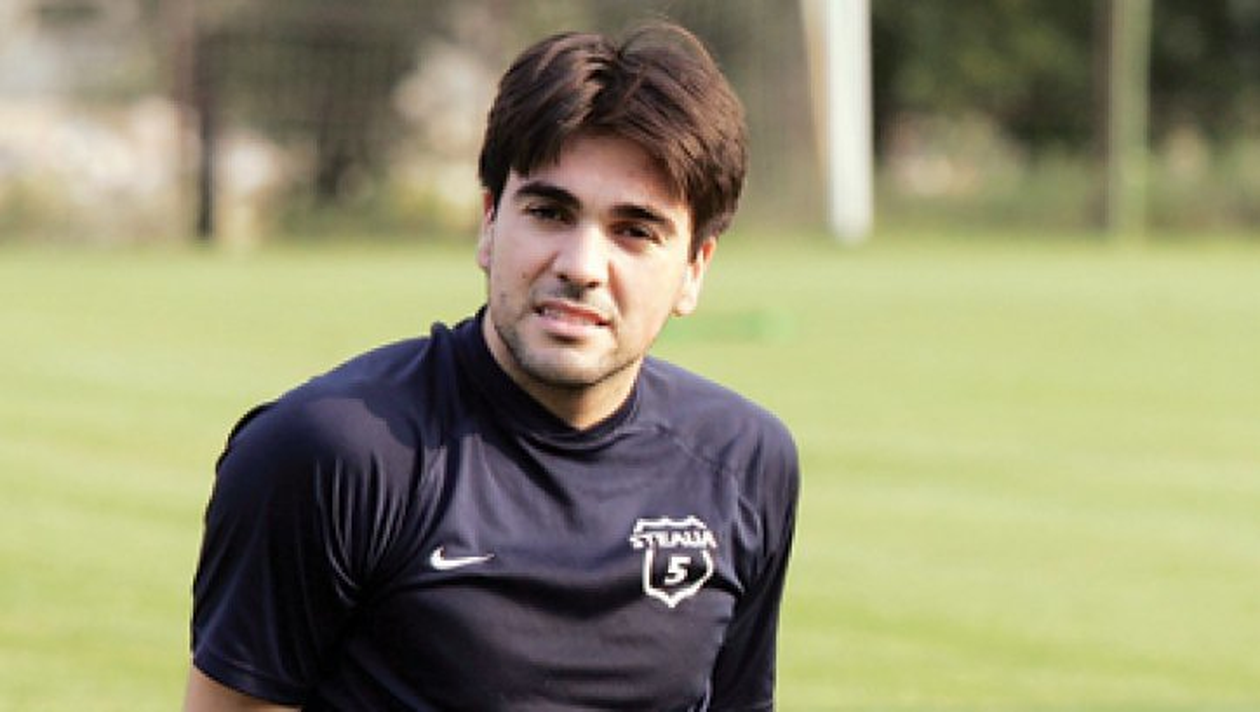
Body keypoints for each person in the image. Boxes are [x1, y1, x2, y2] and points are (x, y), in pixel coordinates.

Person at [184, 20, 799, 711]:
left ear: (694, 270)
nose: (581, 267)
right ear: (489, 224)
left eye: (634, 231)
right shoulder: (328, 455)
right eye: (550, 212)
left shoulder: (743, 462)